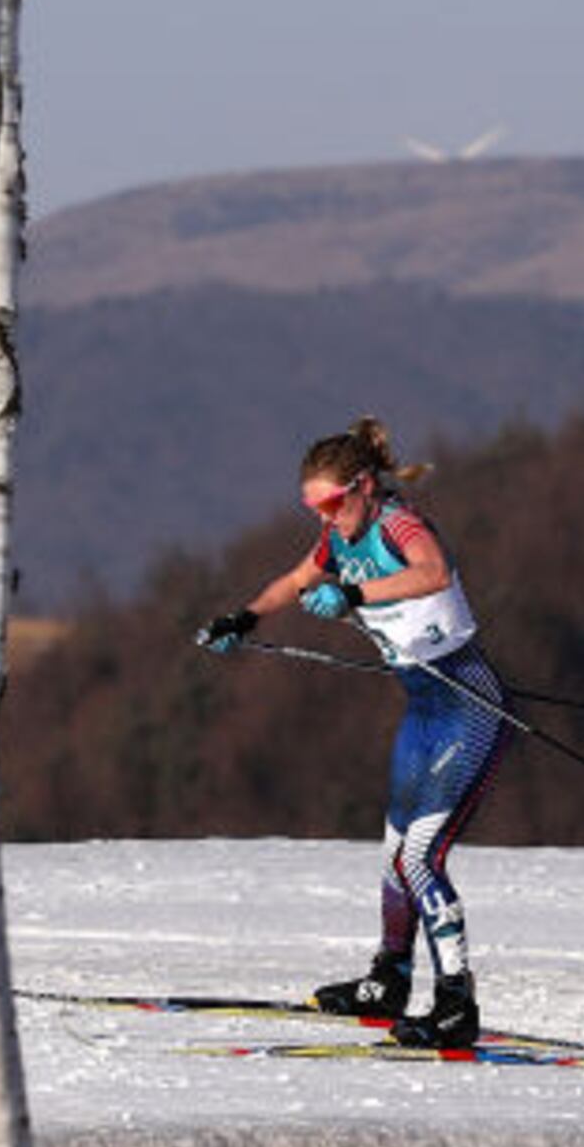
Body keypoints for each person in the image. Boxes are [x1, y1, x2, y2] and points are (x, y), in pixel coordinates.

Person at [195, 417, 508, 1049]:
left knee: (422, 859)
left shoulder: (397, 523)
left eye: (333, 504)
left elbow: (433, 572)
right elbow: (293, 581)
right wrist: (244, 618)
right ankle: (390, 978)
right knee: (395, 856)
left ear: (365, 487)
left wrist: (354, 595)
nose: (325, 518)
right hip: (421, 711)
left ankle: (456, 1003)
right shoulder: (336, 542)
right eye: (313, 507)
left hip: (467, 703)